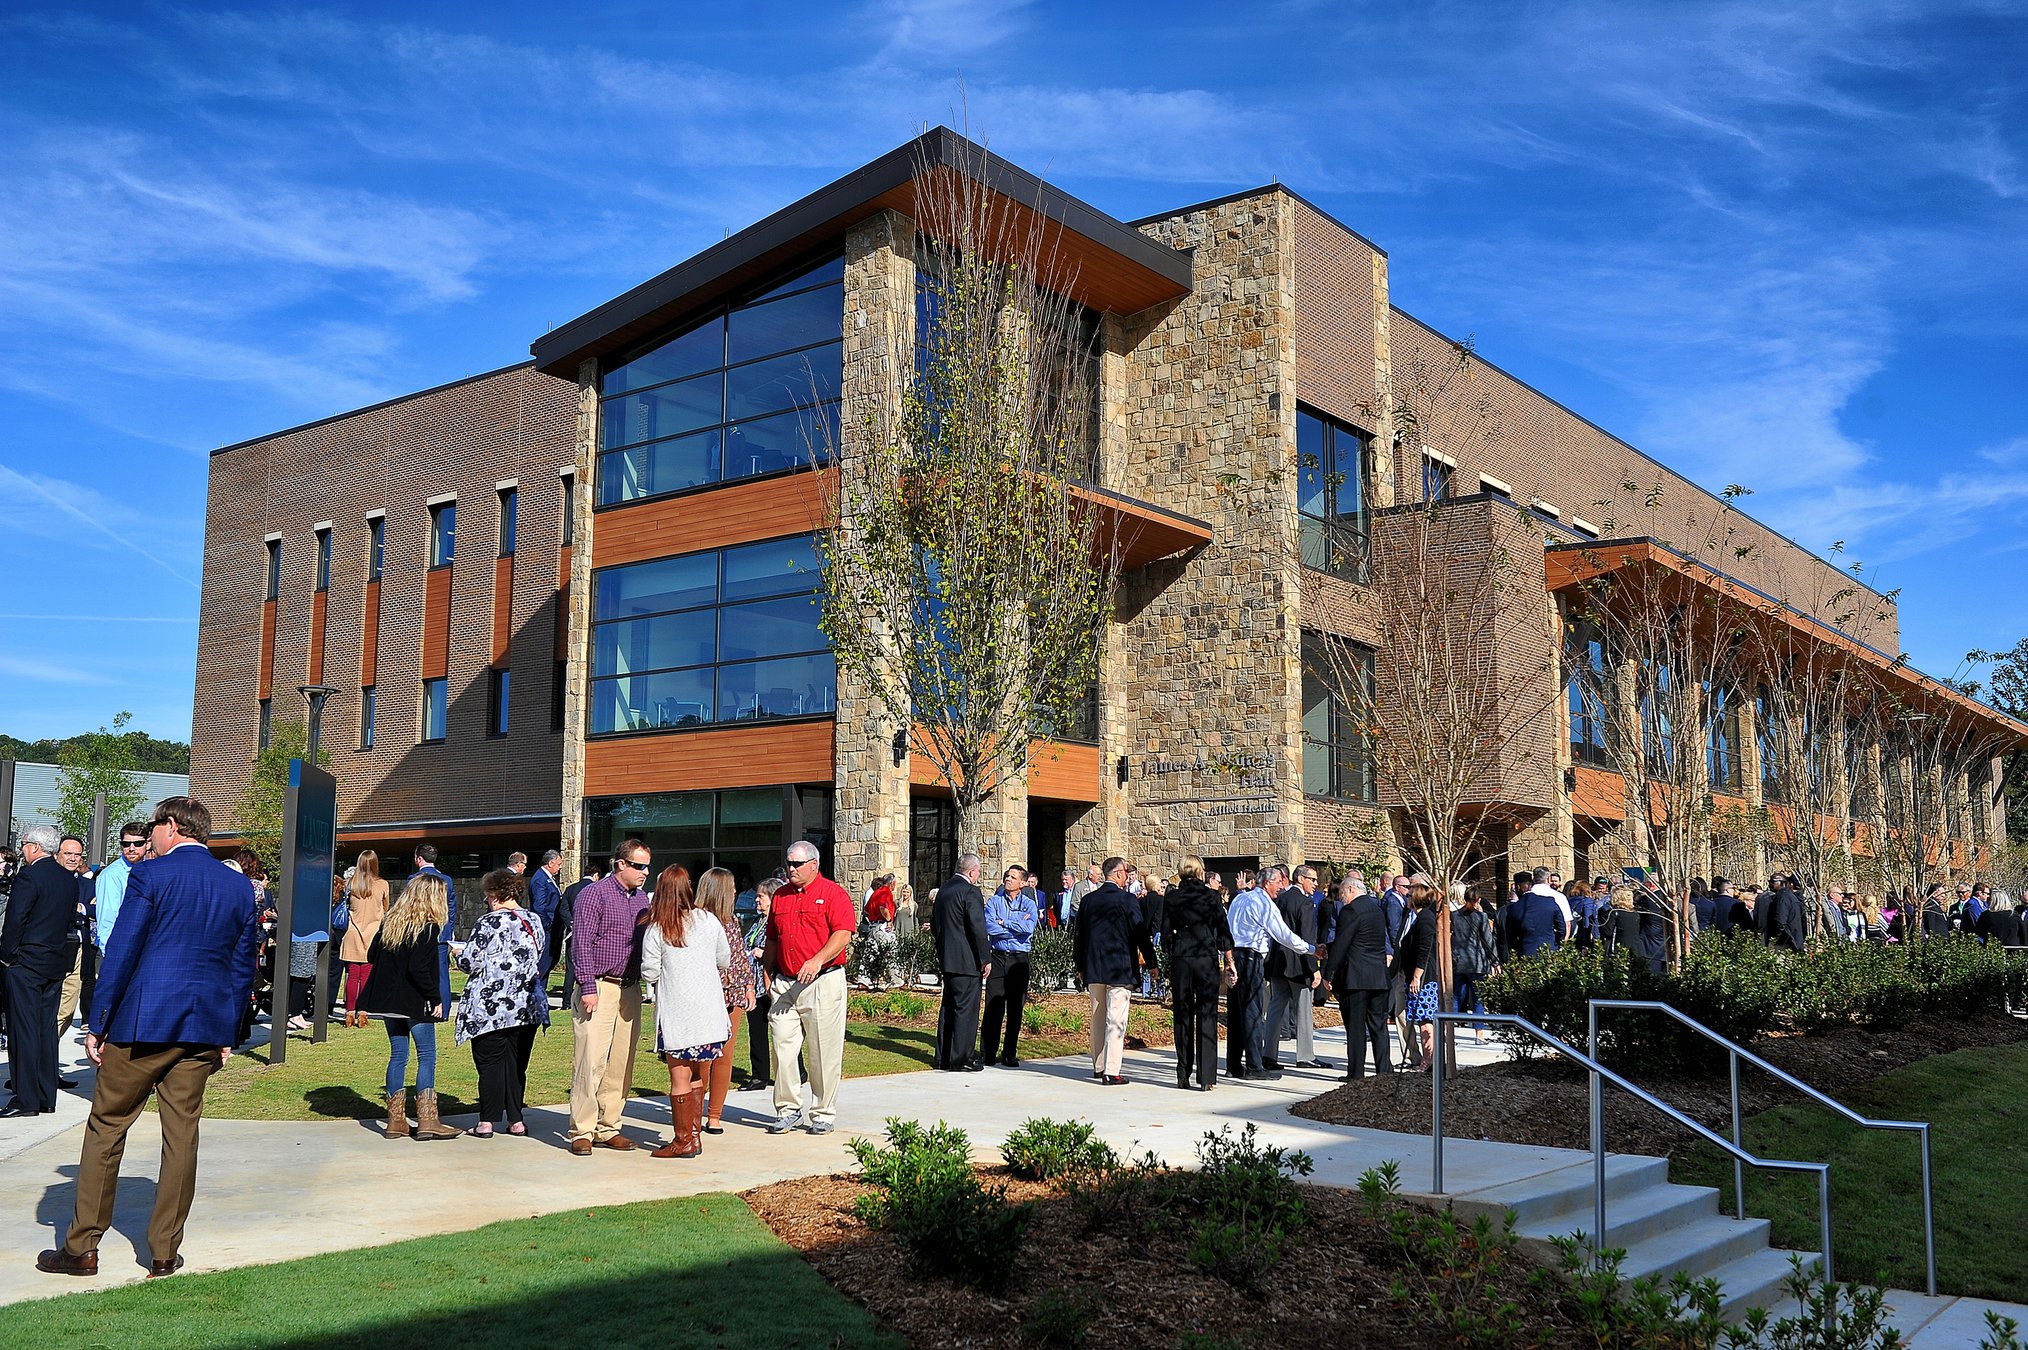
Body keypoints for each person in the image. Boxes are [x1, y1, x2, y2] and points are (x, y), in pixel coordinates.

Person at [37, 796, 263, 1280]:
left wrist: (98, 1022)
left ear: (173, 827)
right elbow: (243, 968)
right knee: (182, 1136)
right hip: (201, 1029)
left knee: (107, 1127)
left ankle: (82, 1248)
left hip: (144, 1025)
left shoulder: (151, 875)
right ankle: (164, 1251)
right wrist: (227, 1034)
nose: (150, 836)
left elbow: (122, 951)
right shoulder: (239, 886)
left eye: (155, 826)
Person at [567, 840, 654, 1154]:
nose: (646, 872)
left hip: (629, 989)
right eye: (639, 866)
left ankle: (609, 1127)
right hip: (599, 987)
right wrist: (588, 987)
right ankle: (582, 1130)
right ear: (621, 864)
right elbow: (582, 944)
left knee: (620, 1063)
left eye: (647, 866)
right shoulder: (595, 894)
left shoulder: (643, 899)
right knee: (590, 1060)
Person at [640, 866, 732, 1159]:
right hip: (709, 1015)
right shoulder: (708, 920)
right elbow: (724, 959)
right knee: (696, 1076)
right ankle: (693, 1137)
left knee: (679, 1077)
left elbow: (650, 970)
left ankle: (683, 1141)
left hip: (678, 1014)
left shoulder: (658, 928)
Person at [764, 841, 855, 1135]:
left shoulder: (832, 894)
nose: (791, 868)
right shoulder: (780, 896)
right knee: (782, 1050)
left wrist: (817, 960)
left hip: (822, 981)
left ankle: (823, 1113)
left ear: (814, 864)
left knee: (822, 1052)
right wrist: (767, 975)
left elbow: (842, 935)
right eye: (789, 863)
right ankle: (788, 1109)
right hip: (785, 983)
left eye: (797, 864)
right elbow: (773, 939)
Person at [360, 872, 459, 1141]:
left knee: (398, 1056)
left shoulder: (390, 924)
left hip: (389, 1002)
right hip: (415, 1002)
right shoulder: (428, 928)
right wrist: (436, 998)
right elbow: (419, 969)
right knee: (427, 1056)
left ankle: (395, 1122)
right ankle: (427, 1120)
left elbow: (371, 956)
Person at [453, 868, 547, 1138]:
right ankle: (516, 1120)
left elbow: (472, 962)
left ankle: (486, 1122)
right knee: (517, 1064)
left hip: (490, 1006)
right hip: (525, 1005)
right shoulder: (534, 921)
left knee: (490, 1063)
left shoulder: (487, 923)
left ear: (494, 895)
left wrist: (458, 953)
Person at [1, 826, 80, 1117]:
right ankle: (46, 1097)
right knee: (46, 1029)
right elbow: (68, 919)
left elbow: (15, 921)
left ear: (35, 847)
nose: (22, 849)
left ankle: (26, 1099)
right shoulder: (67, 879)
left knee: (23, 1031)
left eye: (23, 845)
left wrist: (7, 957)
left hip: (26, 962)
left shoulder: (29, 876)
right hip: (54, 963)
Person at [1224, 865, 1315, 1081]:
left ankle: (1233, 1064)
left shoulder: (1239, 899)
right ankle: (1255, 1066)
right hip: (1250, 958)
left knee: (1236, 1012)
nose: (1281, 887)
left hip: (1234, 957)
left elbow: (1227, 928)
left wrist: (1227, 959)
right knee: (1253, 1012)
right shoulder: (1264, 904)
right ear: (1267, 883)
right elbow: (1283, 934)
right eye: (1278, 883)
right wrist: (1311, 949)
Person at [1073, 857, 1157, 1085]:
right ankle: (1112, 1071)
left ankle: (1099, 1067)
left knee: (1097, 1018)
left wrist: (1080, 965)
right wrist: (1151, 962)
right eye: (1126, 872)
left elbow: (1079, 936)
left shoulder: (1089, 900)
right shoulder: (1127, 899)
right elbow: (1140, 934)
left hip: (1094, 966)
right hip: (1120, 967)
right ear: (1119, 873)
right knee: (1115, 1019)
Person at [695, 867, 758, 1134]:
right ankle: (694, 1113)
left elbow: (740, 957)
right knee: (702, 1058)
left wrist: (748, 986)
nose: (735, 892)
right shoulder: (696, 920)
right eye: (731, 888)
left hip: (731, 995)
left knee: (725, 1057)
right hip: (706, 997)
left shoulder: (731, 920)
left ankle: (715, 1115)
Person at [1161, 857, 1232, 1091]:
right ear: (1201, 872)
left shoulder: (1171, 897)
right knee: (1207, 1014)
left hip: (1182, 956)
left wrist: (1175, 948)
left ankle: (1183, 1073)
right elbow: (1223, 931)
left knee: (1182, 1014)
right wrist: (1229, 960)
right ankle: (1207, 1076)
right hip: (1205, 955)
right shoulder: (1211, 896)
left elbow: (1165, 935)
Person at [1321, 874, 1392, 1081]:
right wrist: (1328, 947)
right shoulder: (1376, 910)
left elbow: (1343, 943)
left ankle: (1356, 1074)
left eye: (1342, 892)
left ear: (1351, 889)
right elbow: (1361, 941)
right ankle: (1384, 1070)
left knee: (1356, 1027)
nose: (1340, 897)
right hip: (1378, 976)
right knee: (1378, 1025)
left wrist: (1328, 973)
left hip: (1356, 978)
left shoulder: (1350, 910)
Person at [932, 854, 991, 1072]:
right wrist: (985, 958)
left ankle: (943, 1056)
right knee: (966, 1010)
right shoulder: (970, 892)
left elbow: (935, 924)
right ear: (971, 872)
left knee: (949, 1007)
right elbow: (977, 927)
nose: (979, 876)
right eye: (978, 872)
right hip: (967, 961)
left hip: (948, 958)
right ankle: (962, 1058)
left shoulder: (944, 890)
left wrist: (942, 951)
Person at [1267, 865, 1326, 1071]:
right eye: (1312, 879)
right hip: (1298, 965)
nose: (1316, 884)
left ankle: (1269, 1054)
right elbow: (1307, 937)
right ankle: (1306, 1056)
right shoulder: (1305, 903)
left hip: (1277, 962)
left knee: (1275, 1008)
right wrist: (1314, 968)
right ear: (1301, 879)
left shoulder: (1280, 898)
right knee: (1303, 1010)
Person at [981, 865, 1039, 1068]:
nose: (1008, 879)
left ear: (1023, 883)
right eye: (1006, 876)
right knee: (993, 1007)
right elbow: (990, 927)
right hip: (997, 958)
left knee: (1015, 1009)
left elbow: (1028, 928)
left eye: (1013, 877)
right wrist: (1013, 926)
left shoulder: (1029, 904)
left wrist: (1003, 922)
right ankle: (987, 1053)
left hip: (1019, 960)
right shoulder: (994, 901)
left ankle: (1009, 1054)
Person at [1395, 883, 1445, 1071]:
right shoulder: (1418, 918)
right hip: (1417, 977)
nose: (1406, 898)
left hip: (1424, 980)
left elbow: (1424, 951)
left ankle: (1429, 1060)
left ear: (1415, 898)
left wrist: (1416, 977)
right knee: (1422, 1021)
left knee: (1425, 1022)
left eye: (1408, 895)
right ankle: (1428, 1059)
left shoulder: (1425, 920)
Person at [338, 850, 389, 1028]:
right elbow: (385, 907)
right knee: (366, 975)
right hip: (372, 934)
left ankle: (349, 1013)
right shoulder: (382, 884)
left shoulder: (351, 884)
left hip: (352, 933)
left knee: (352, 976)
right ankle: (363, 1013)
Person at [740, 879, 780, 1091]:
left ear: (773, 899)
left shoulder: (778, 922)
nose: (756, 900)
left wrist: (763, 953)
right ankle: (759, 1076)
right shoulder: (757, 921)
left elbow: (784, 950)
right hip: (754, 986)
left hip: (771, 984)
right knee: (756, 1031)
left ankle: (795, 1072)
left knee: (781, 1031)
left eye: (761, 897)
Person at [1449, 885, 1499, 1037]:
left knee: (1457, 997)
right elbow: (1488, 941)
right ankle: (1479, 1032)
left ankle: (1451, 1033)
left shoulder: (1454, 915)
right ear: (1478, 900)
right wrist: (1495, 962)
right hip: (1477, 962)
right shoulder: (1481, 917)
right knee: (1478, 999)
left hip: (1458, 961)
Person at [92, 823, 149, 953]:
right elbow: (107, 917)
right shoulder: (111, 875)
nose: (131, 848)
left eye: (138, 843)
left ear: (148, 844)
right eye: (126, 844)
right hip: (118, 950)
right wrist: (110, 953)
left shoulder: (150, 870)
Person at [1504, 867, 1565, 958]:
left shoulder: (1514, 908)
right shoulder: (1549, 902)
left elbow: (1510, 936)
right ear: (1531, 885)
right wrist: (1555, 943)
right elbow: (1561, 928)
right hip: (1549, 952)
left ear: (1518, 887)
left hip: (1526, 953)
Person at [527, 849, 564, 984]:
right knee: (543, 964)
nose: (560, 868)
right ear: (550, 863)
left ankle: (541, 998)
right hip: (547, 928)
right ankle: (537, 998)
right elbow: (539, 906)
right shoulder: (540, 879)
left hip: (554, 927)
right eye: (558, 864)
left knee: (550, 962)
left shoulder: (548, 878)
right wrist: (548, 925)